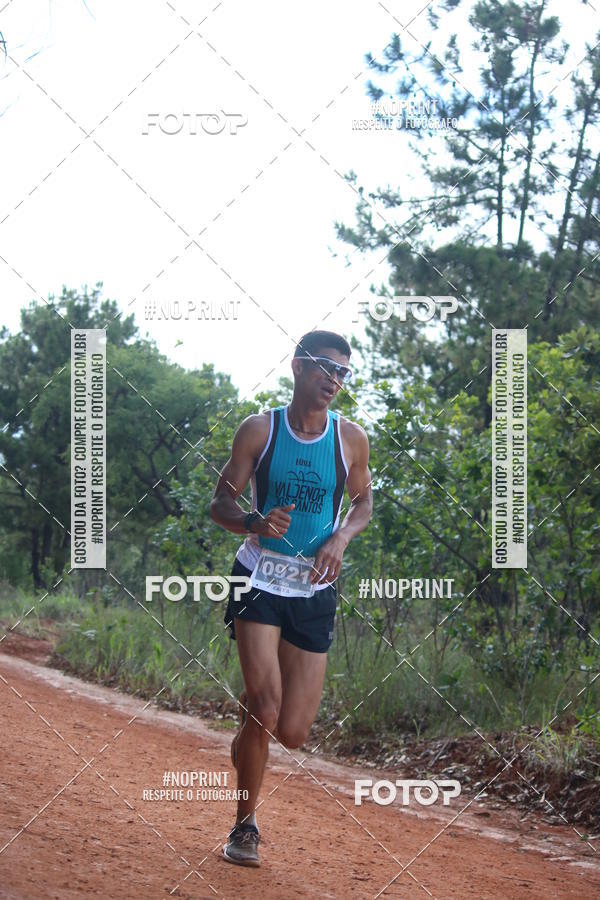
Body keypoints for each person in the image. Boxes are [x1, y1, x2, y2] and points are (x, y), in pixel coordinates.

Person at [210, 330, 372, 867]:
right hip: (257, 578)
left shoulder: (350, 439)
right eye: (326, 368)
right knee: (264, 706)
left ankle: (248, 734)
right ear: (298, 366)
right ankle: (244, 827)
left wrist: (340, 538)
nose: (334, 381)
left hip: (313, 589)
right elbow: (221, 505)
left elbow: (362, 503)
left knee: (294, 731)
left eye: (343, 373)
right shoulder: (261, 429)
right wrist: (253, 521)